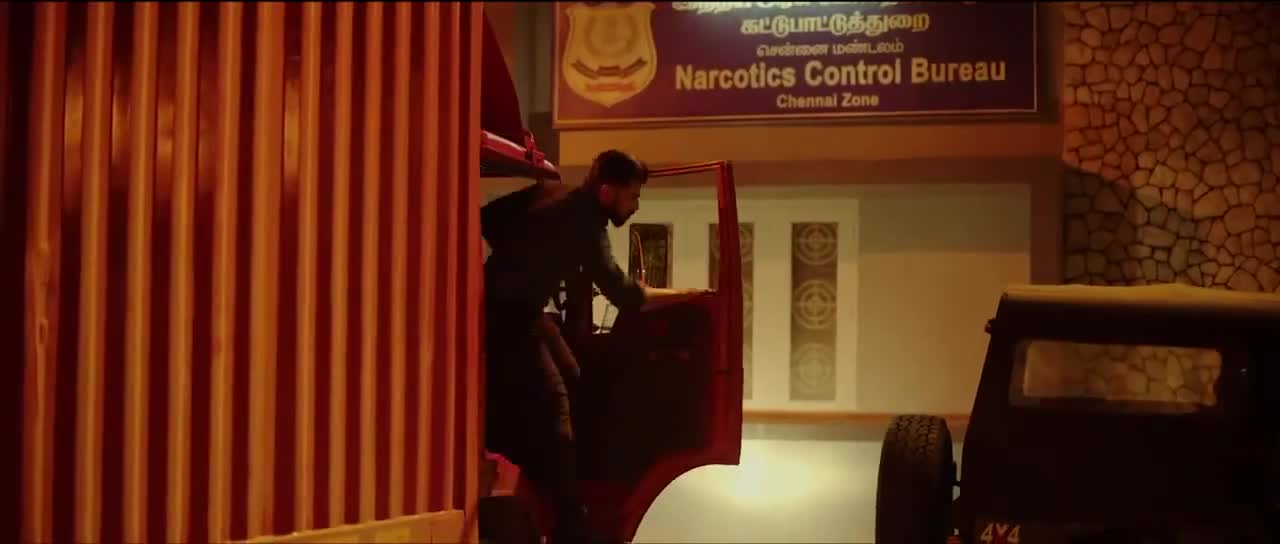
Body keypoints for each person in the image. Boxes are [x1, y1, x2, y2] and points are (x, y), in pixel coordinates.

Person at [481, 149, 703, 543]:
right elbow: (622, 293)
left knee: (572, 370)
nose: (635, 206)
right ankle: (570, 521)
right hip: (510, 316)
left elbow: (489, 220)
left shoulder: (550, 192)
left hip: (516, 307)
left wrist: (524, 255)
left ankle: (545, 471)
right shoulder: (586, 226)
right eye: (632, 196)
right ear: (606, 191)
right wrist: (685, 295)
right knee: (555, 402)